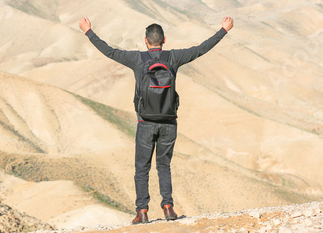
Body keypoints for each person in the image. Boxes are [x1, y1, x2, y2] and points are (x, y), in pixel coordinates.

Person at [79, 16, 234, 224]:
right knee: (164, 166)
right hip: (169, 122)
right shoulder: (174, 57)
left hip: (145, 123)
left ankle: (142, 212)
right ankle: (168, 207)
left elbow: (109, 51)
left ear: (145, 41)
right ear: (164, 40)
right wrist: (223, 30)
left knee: (142, 168)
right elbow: (201, 49)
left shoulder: (137, 59)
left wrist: (88, 31)